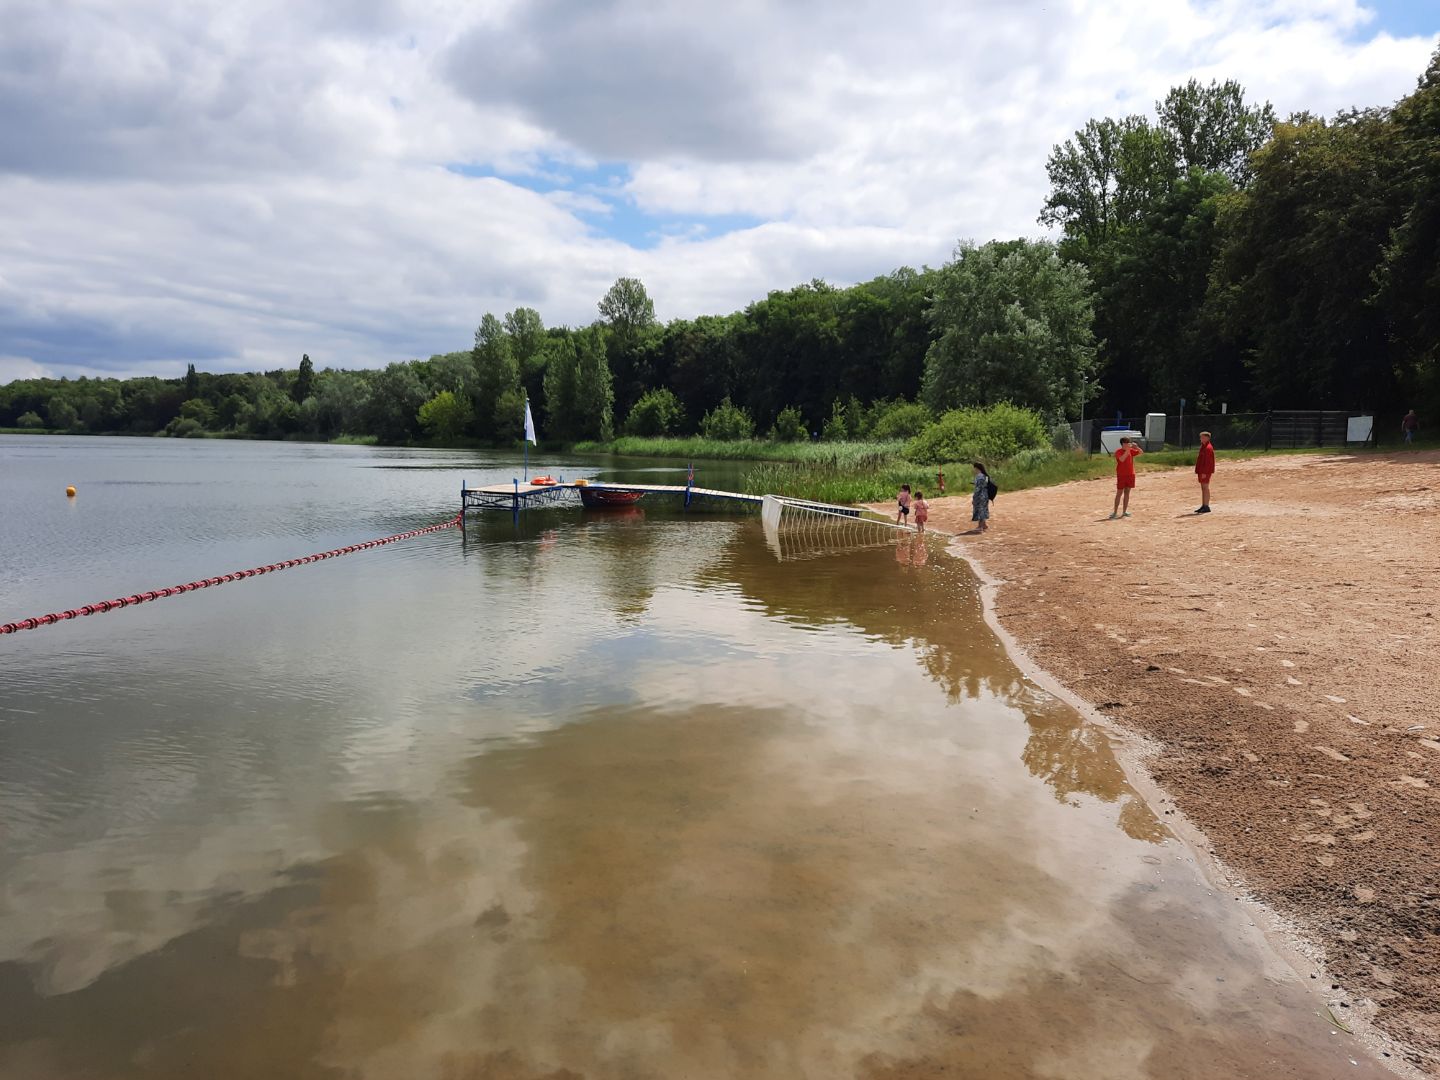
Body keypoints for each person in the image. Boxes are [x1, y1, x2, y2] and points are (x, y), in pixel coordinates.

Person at [1109, 436, 1142, 519]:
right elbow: (1122, 459)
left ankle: (1124, 511)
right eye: (1126, 442)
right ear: (1123, 444)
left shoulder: (1130, 451)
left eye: (1128, 442)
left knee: (1127, 493)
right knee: (1119, 493)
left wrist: (1136, 447)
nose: (1128, 444)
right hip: (1121, 475)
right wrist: (1128, 450)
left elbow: (1141, 452)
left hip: (1130, 474)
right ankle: (1115, 512)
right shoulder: (1118, 452)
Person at [1194, 431, 1215, 514]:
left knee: (1205, 487)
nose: (1200, 439)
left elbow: (1207, 462)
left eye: (1202, 437)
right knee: (1203, 488)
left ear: (1207, 438)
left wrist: (1204, 472)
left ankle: (1206, 506)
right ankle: (1204, 505)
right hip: (1202, 471)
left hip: (1205, 471)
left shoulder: (1208, 448)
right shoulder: (1203, 446)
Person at [966, 462, 990, 534]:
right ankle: (984, 525)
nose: (973, 470)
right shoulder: (985, 476)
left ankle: (980, 526)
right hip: (985, 495)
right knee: (983, 509)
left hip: (980, 495)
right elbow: (985, 484)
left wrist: (974, 497)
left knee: (979, 510)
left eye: (974, 468)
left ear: (976, 468)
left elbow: (978, 488)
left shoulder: (978, 476)